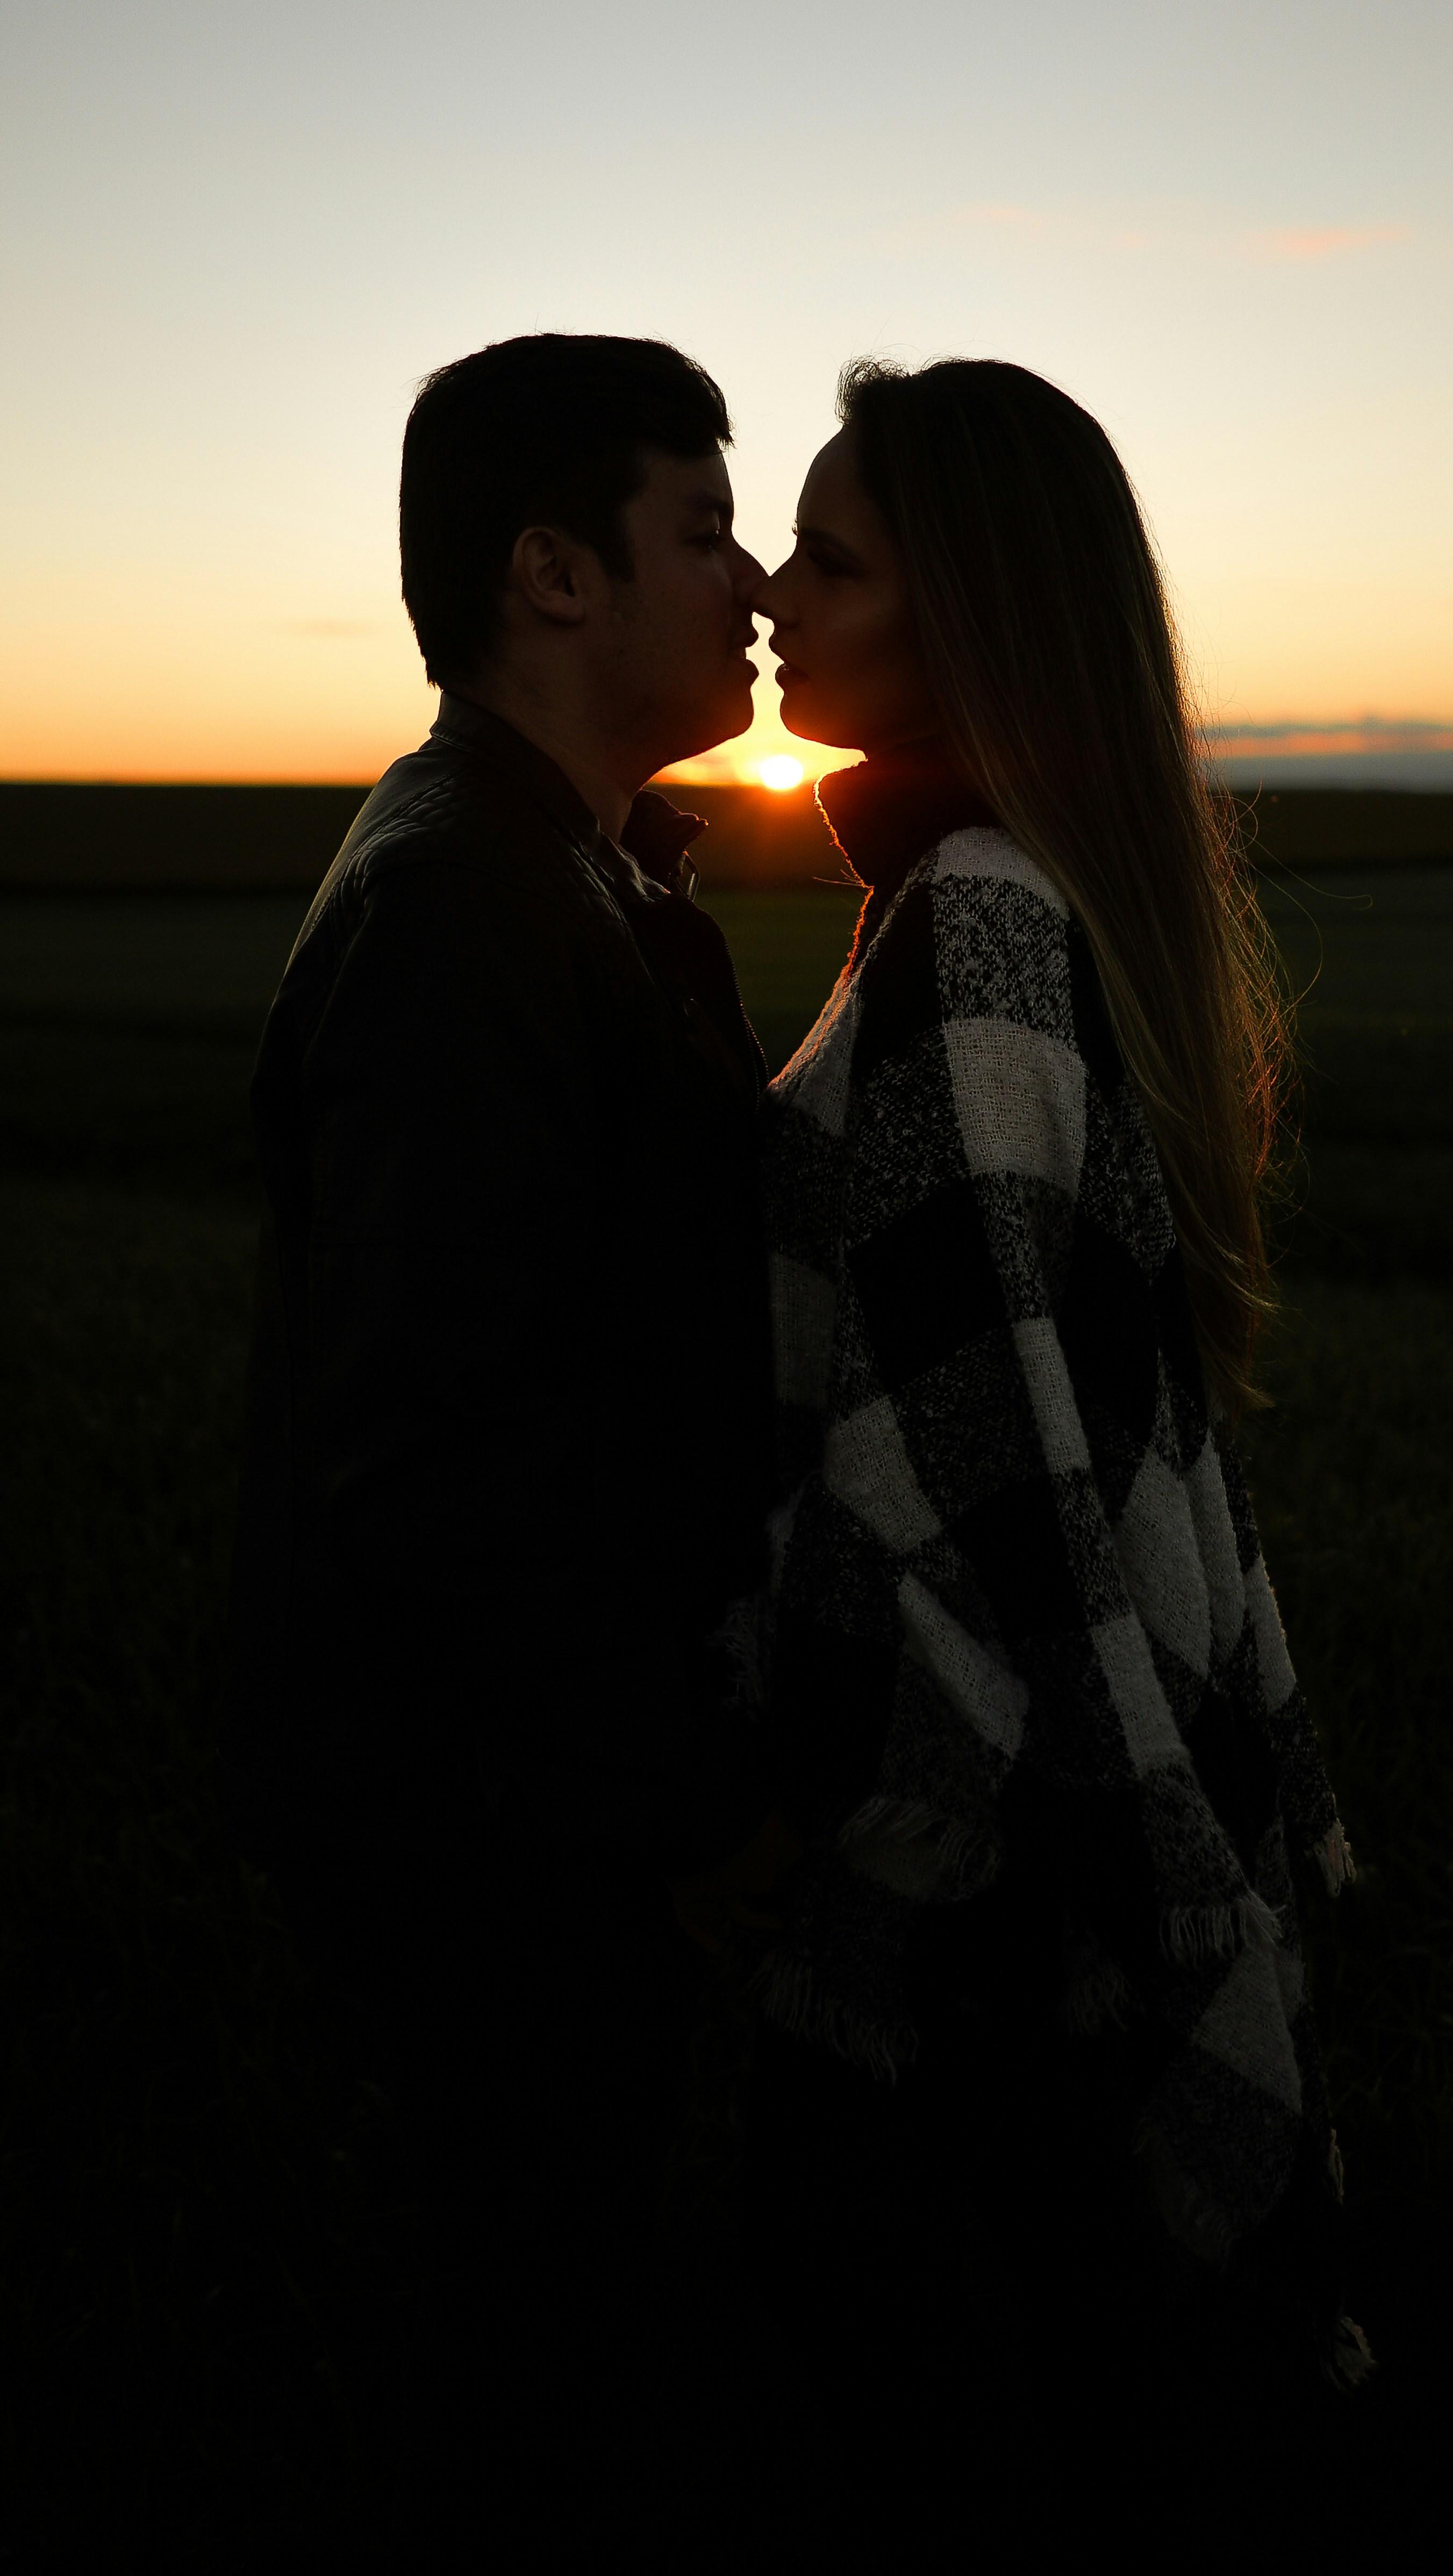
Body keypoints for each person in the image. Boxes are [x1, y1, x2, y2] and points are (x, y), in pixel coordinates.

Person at [731, 357, 1371, 2551]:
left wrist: (929, 1798)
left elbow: (995, 1431)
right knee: (1073, 2367)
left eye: (831, 559)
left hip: (970, 1818)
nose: (770, 604)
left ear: (972, 604)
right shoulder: (995, 885)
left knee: (973, 2398)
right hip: (1031, 1800)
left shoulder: (978, 909)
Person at [219, 333, 799, 2551]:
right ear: (554, 573)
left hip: (545, 1811)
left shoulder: (584, 870)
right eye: (704, 525)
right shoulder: (461, 897)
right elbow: (438, 1465)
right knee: (524, 2394)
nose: (749, 583)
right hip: (486, 1839)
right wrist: (697, 1805)